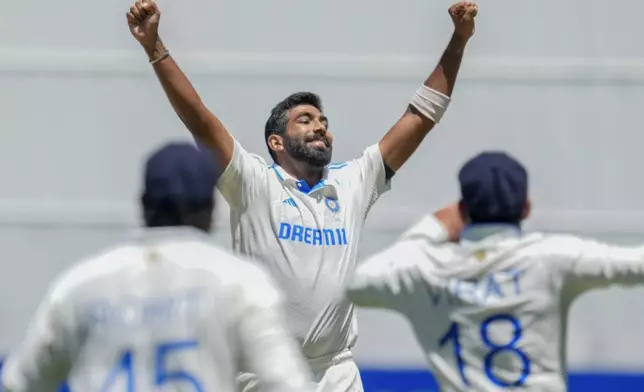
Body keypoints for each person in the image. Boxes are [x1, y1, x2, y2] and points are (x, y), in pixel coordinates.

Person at [125, 1, 478, 390]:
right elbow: (200, 118)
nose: (320, 128)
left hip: (335, 372)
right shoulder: (253, 181)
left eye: (324, 122)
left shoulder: (354, 182)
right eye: (305, 121)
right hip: (263, 370)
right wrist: (155, 48)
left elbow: (420, 117)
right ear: (276, 141)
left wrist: (458, 41)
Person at [1, 143, 313, 392]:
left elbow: (20, 383)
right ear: (211, 210)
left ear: (142, 203)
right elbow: (286, 384)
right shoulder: (240, 283)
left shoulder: (80, 285)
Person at [345, 151, 644, 392]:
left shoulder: (428, 267)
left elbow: (358, 283)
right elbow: (634, 264)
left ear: (462, 211)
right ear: (526, 208)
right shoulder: (552, 258)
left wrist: (434, 226)